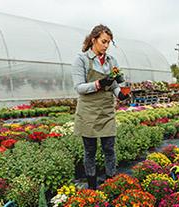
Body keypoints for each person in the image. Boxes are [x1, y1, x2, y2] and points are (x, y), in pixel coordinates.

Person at [72, 24, 130, 189]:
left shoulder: (112, 61)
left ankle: (111, 183)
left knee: (109, 149)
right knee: (90, 151)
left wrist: (120, 94)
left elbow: (115, 85)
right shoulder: (81, 60)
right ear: (93, 39)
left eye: (108, 43)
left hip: (106, 111)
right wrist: (99, 83)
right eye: (103, 41)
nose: (106, 46)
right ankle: (92, 187)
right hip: (88, 111)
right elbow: (79, 87)